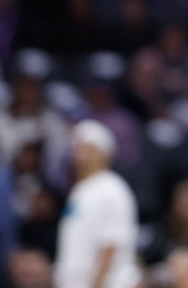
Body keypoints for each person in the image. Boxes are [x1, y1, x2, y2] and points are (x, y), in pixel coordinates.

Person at [54, 119, 139, 288]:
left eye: (87, 149)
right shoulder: (80, 190)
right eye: (77, 149)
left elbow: (111, 243)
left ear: (104, 153)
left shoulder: (112, 189)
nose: (79, 155)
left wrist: (97, 284)